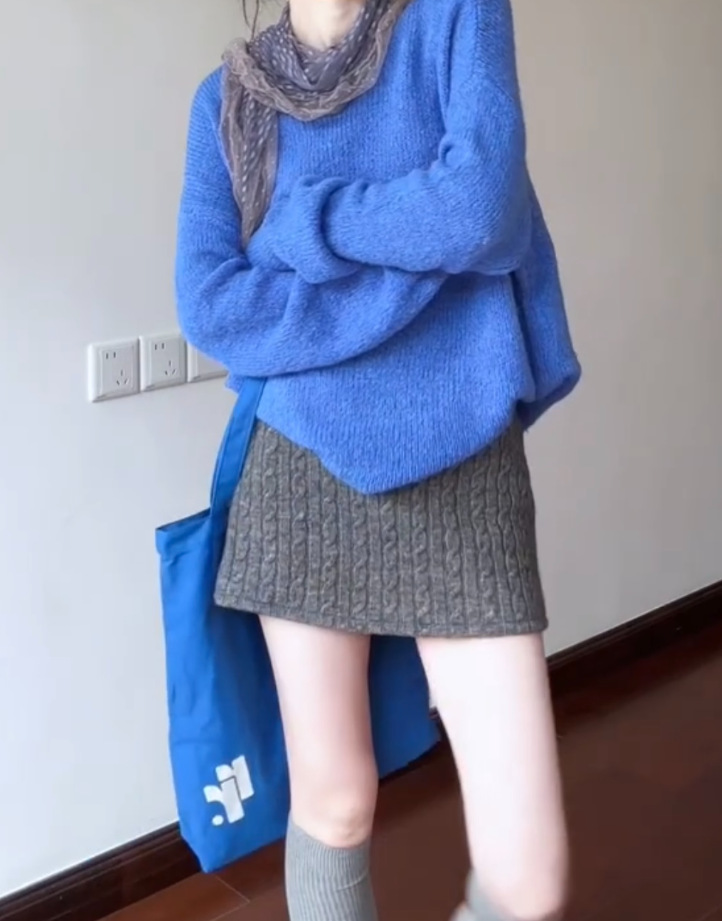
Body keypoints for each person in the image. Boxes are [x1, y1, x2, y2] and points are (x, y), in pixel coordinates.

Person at [175, 0, 581, 918]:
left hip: (463, 451)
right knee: (335, 801)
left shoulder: (457, 18)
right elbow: (210, 303)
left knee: (526, 875)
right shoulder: (229, 101)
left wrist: (308, 223)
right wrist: (416, 270)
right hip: (300, 466)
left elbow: (480, 207)